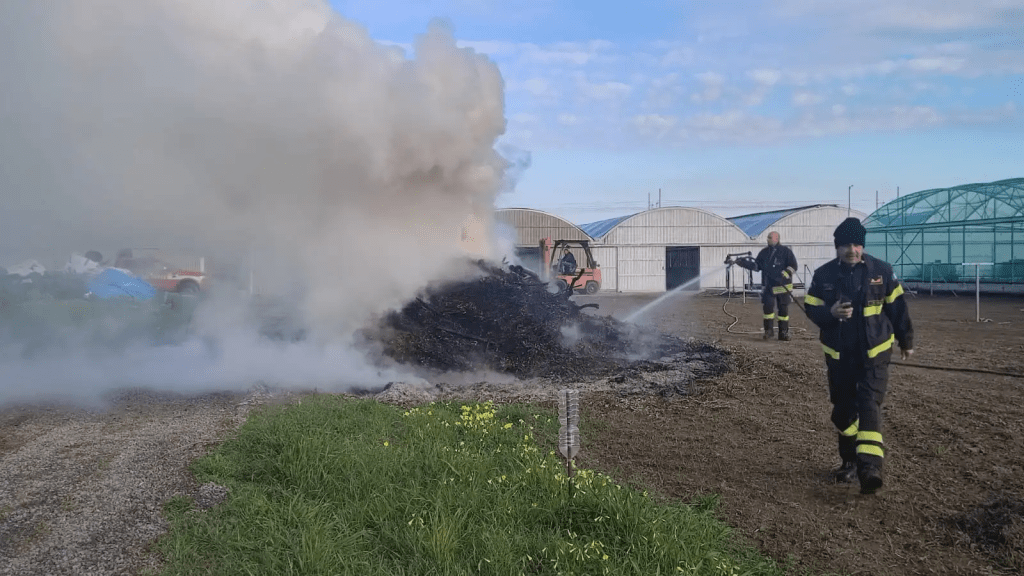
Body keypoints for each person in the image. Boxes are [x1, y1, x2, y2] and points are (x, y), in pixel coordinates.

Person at [804, 217, 914, 495]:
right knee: (842, 412)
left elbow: (897, 308)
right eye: (845, 245)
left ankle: (870, 468)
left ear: (862, 246)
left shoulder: (882, 271)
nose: (852, 250)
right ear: (837, 247)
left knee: (868, 404)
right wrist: (829, 314)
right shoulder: (824, 275)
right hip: (839, 355)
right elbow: (811, 307)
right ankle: (849, 460)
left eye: (857, 244)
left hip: (874, 353)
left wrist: (905, 340)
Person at [735, 231, 798, 340]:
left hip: (782, 287)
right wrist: (744, 263)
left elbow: (793, 266)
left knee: (783, 311)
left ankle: (783, 333)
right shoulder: (764, 253)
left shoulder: (786, 252)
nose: (767, 239)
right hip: (768, 287)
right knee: (768, 309)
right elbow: (757, 266)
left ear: (776, 239)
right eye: (767, 237)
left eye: (769, 237)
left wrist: (784, 274)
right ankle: (768, 331)